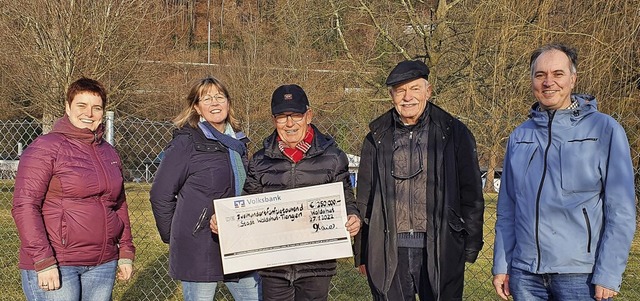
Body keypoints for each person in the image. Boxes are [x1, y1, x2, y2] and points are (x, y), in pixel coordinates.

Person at [492, 43, 637, 301]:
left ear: (573, 79)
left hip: (581, 275)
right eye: (540, 75)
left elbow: (621, 210)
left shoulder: (604, 131)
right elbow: (507, 209)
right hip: (525, 275)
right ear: (532, 81)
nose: (549, 82)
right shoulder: (520, 136)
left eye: (557, 74)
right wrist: (502, 266)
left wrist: (608, 273)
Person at [211, 84, 361, 301]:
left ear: (308, 115)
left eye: (296, 115)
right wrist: (226, 223)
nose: (290, 123)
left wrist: (352, 216)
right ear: (274, 120)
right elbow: (247, 207)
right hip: (274, 268)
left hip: (316, 267)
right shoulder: (260, 160)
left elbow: (347, 198)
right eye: (282, 117)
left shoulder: (333, 157)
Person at [353, 60, 485, 301]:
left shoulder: (454, 133)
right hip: (389, 247)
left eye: (414, 88)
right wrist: (362, 252)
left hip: (440, 246)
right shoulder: (376, 137)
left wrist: (471, 244)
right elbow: (364, 197)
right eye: (400, 91)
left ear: (428, 90)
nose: (407, 97)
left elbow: (472, 194)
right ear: (391, 95)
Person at [11, 77, 135, 301]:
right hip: (58, 262)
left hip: (102, 264)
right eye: (81, 105)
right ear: (68, 108)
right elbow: (25, 206)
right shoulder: (46, 147)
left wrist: (125, 251)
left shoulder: (109, 152)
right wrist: (43, 260)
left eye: (96, 107)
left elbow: (119, 204)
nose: (89, 113)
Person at [150, 76, 261, 301]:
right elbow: (160, 194)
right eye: (207, 98)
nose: (215, 103)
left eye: (219, 97)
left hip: (236, 240)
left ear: (228, 103)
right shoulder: (186, 142)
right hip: (198, 244)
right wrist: (175, 236)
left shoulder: (238, 143)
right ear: (196, 107)